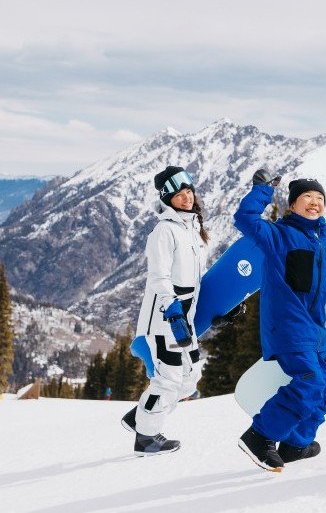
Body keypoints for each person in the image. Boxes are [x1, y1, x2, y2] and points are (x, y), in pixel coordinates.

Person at [233, 170, 326, 472]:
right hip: (287, 326)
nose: (314, 202)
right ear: (293, 205)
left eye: (319, 198)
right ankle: (260, 436)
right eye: (306, 197)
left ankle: (296, 444)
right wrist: (262, 192)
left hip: (315, 332)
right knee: (309, 383)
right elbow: (245, 219)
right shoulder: (278, 235)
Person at [120, 165, 209, 456]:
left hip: (187, 315)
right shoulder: (164, 231)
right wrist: (172, 312)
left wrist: (223, 307)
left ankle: (140, 416)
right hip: (165, 318)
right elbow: (158, 277)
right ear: (166, 199)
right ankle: (146, 437)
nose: (186, 198)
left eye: (188, 192)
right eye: (179, 194)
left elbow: (197, 279)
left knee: (190, 378)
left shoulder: (193, 229)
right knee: (168, 380)